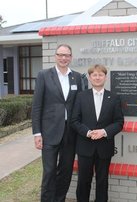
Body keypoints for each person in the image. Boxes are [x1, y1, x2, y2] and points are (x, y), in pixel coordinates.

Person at [32, 44, 83, 202]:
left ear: (71, 57)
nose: (63, 58)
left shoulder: (77, 77)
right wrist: (37, 133)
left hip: (70, 132)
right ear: (55, 56)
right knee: (49, 172)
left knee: (66, 171)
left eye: (67, 55)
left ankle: (59, 199)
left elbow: (79, 105)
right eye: (60, 55)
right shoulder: (44, 75)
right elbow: (37, 106)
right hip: (49, 132)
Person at [71, 64, 124, 202]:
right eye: (94, 75)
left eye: (100, 75)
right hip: (85, 146)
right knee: (83, 181)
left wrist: (104, 132)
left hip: (104, 147)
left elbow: (119, 122)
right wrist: (88, 132)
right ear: (89, 77)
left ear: (105, 77)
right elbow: (74, 121)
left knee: (102, 182)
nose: (97, 77)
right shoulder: (81, 97)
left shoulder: (113, 97)